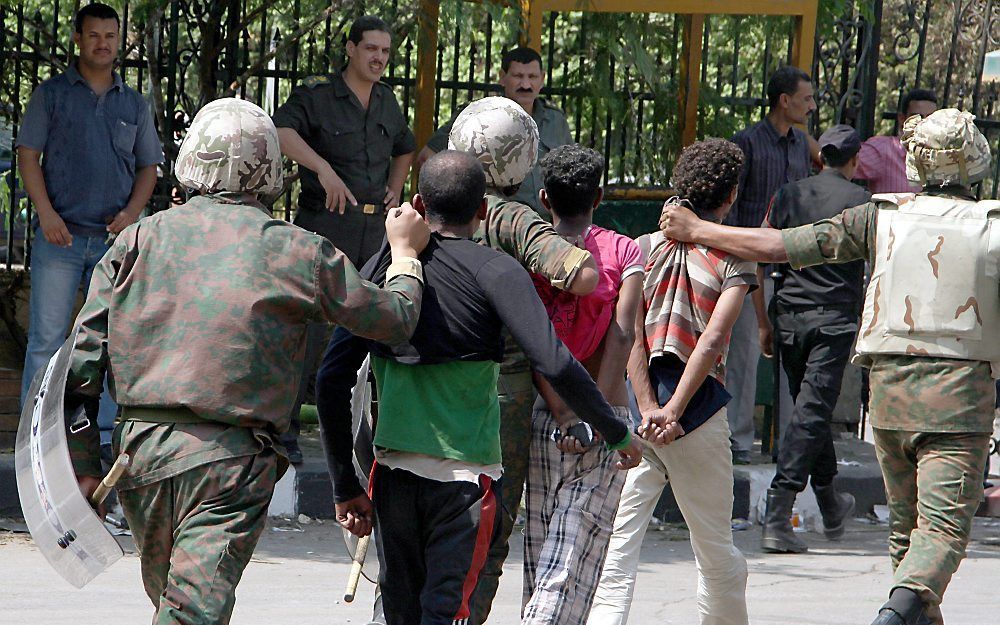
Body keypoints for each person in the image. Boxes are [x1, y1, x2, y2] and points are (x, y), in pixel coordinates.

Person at [65, 98, 430, 625]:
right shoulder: (296, 250)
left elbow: (81, 361)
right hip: (230, 463)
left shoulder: (137, 239)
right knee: (191, 613)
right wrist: (404, 256)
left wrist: (82, 469)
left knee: (176, 605)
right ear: (268, 172)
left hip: (138, 458)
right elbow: (393, 320)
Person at [659, 108, 998, 625]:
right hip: (959, 396)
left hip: (888, 394)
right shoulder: (991, 226)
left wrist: (698, 228)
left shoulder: (879, 216)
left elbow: (778, 246)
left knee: (908, 534)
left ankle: (909, 611)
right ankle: (894, 612)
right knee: (944, 529)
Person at [316, 150, 643, 625]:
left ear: (419, 203)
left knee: (397, 614)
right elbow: (555, 361)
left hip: (391, 479)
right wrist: (616, 430)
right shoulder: (497, 272)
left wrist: (344, 486)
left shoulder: (388, 268)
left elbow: (331, 378)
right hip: (465, 486)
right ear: (484, 211)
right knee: (446, 613)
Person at [589, 139, 753, 625]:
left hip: (636, 419)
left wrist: (645, 410)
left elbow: (630, 334)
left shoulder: (641, 249)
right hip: (695, 417)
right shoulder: (734, 256)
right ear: (730, 196)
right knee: (715, 551)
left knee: (617, 547)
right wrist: (674, 412)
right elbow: (713, 340)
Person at [17, 2, 163, 453]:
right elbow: (27, 155)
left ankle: (100, 439)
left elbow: (149, 168)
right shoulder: (52, 95)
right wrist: (46, 213)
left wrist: (131, 216)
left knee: (111, 343)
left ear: (119, 41)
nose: (103, 43)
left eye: (111, 36)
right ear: (78, 38)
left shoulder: (134, 103)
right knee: (46, 341)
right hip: (58, 239)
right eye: (94, 35)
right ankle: (35, 440)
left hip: (112, 244)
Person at [273, 14, 415, 462]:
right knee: (309, 327)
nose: (378, 58)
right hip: (326, 223)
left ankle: (376, 437)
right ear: (350, 49)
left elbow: (406, 145)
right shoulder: (318, 96)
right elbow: (279, 132)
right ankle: (287, 437)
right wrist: (322, 168)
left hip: (375, 229)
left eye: (385, 51)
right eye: (371, 48)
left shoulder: (388, 102)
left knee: (375, 327)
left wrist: (397, 182)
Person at [521, 145, 643, 624]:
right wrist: (599, 414)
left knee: (540, 546)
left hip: (543, 413)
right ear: (598, 197)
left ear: (544, 196)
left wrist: (563, 410)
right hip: (606, 414)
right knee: (575, 552)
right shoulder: (624, 251)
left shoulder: (531, 253)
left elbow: (535, 340)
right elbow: (622, 334)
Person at [758, 124, 872, 554]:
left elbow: (762, 254)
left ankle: (828, 500)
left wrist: (764, 323)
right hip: (833, 322)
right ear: (855, 161)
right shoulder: (863, 203)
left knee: (811, 409)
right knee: (811, 411)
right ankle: (777, 512)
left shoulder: (789, 195)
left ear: (820, 157)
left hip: (788, 316)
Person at [726, 65, 817, 463]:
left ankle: (784, 439)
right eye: (806, 98)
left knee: (790, 350)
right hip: (749, 260)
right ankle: (739, 439)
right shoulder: (746, 142)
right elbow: (731, 203)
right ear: (785, 101)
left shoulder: (801, 145)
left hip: (791, 260)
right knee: (746, 350)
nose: (811, 106)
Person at [416, 47, 572, 217]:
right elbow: (427, 157)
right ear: (502, 77)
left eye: (532, 77)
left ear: (542, 79)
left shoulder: (556, 121)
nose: (526, 85)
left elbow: (567, 173)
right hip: (495, 224)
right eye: (518, 76)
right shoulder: (478, 115)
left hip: (545, 227)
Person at [854, 88, 938, 194]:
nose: (925, 124)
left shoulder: (944, 157)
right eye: (918, 118)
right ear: (902, 119)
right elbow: (837, 164)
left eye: (931, 118)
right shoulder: (884, 151)